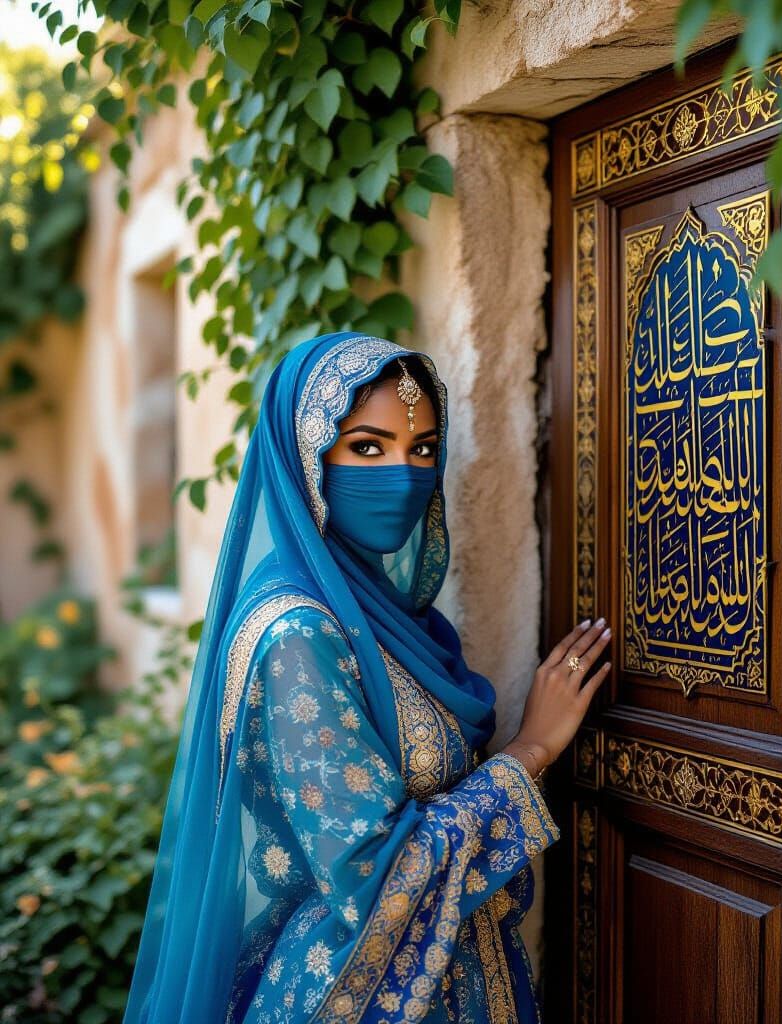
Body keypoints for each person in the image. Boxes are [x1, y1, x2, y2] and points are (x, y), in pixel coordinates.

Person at [123, 331, 612, 1024]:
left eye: (422, 450)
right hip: (361, 992)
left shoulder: (375, 614)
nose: (405, 475)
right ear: (307, 457)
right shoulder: (298, 635)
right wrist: (530, 750)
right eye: (367, 447)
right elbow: (372, 875)